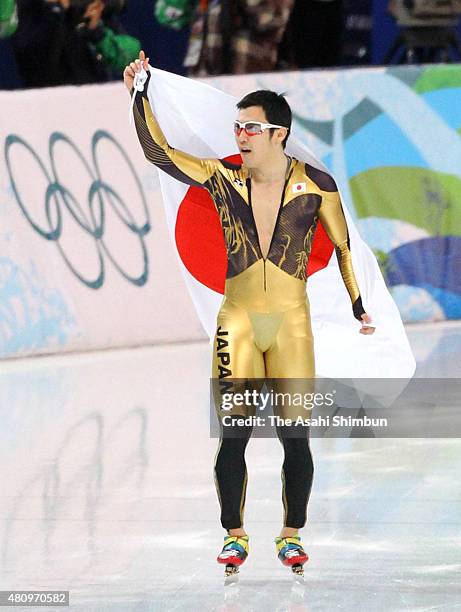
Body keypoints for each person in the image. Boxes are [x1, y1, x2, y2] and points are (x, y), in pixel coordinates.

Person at [124, 49, 375, 578]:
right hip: (236, 322)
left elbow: (345, 248)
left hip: (291, 324)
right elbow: (160, 154)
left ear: (278, 133)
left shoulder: (316, 185)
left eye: (251, 127)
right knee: (233, 435)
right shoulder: (222, 179)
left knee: (294, 437)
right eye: (237, 126)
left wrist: (358, 305)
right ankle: (234, 535)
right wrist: (140, 96)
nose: (240, 135)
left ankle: (291, 535)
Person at [11, 0, 140, 88]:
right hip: (44, 102)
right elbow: (27, 54)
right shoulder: (28, 8)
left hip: (94, 97)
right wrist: (54, 13)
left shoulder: (88, 6)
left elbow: (129, 54)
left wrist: (96, 31)